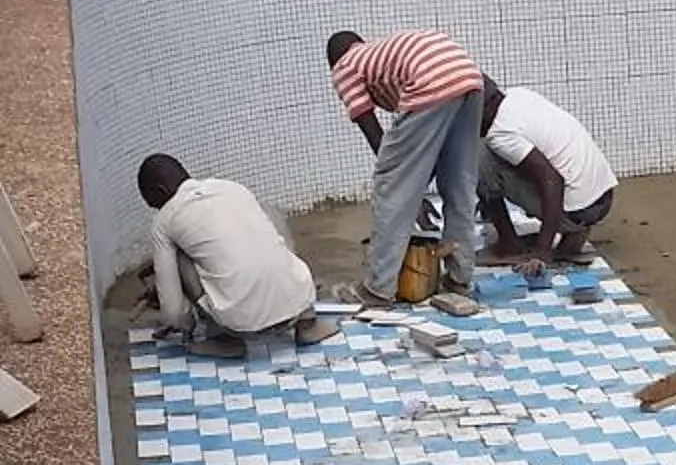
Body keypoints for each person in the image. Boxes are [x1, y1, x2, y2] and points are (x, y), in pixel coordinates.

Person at [325, 27, 484, 314]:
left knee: (391, 188)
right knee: (459, 183)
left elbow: (372, 130)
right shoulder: (377, 54)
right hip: (469, 76)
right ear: (359, 42)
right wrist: (416, 182)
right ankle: (460, 278)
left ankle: (378, 288)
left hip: (430, 80)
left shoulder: (344, 67)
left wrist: (403, 184)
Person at [137, 155, 327, 357]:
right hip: (298, 302)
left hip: (240, 323)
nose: (157, 209)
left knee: (177, 256)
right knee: (263, 230)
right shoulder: (232, 188)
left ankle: (223, 339)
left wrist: (184, 324)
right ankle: (308, 324)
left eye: (153, 204)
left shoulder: (165, 220)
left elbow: (172, 310)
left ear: (161, 191)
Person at [479, 78, 616, 265]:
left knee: (478, 157)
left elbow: (552, 180)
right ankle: (572, 234)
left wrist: (541, 252)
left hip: (577, 211)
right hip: (602, 199)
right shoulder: (518, 95)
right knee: (499, 157)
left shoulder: (500, 134)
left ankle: (510, 245)